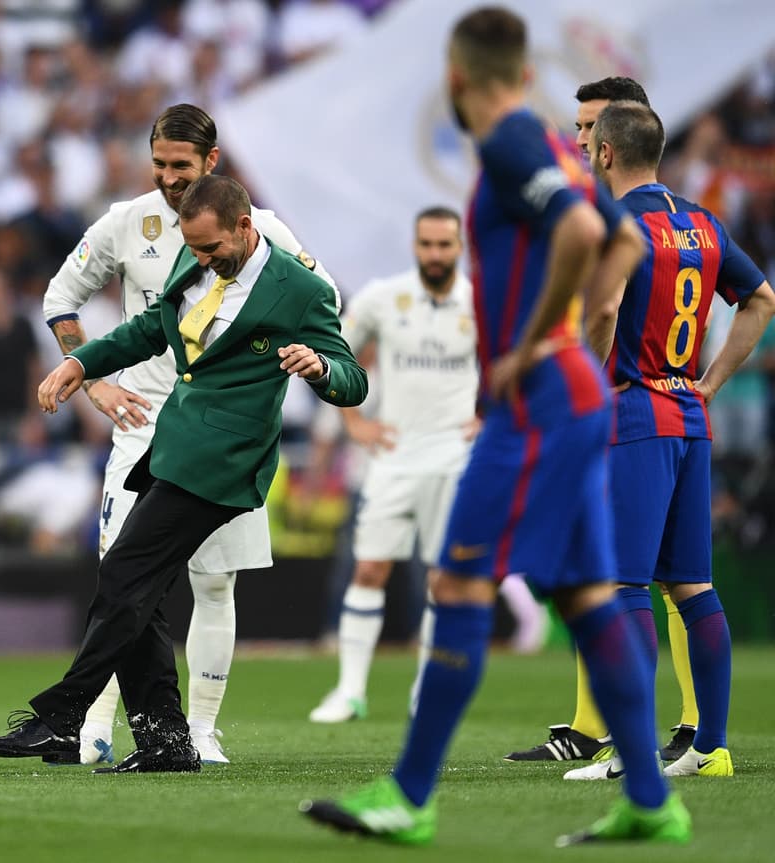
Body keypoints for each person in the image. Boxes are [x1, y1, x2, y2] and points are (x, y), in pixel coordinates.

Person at [300, 7, 690, 846]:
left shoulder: (511, 142)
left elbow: (586, 233)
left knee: (459, 584)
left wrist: (536, 340)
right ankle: (652, 800)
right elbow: (624, 243)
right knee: (586, 597)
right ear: (525, 71)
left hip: (538, 403)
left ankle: (409, 795)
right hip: (572, 394)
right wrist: (573, 335)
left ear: (455, 78)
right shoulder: (554, 144)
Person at [0, 174, 367, 773]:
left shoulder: (301, 289)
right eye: (194, 249)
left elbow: (352, 379)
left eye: (211, 249)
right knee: (140, 590)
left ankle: (63, 718)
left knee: (125, 576)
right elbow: (150, 330)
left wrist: (319, 368)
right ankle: (165, 742)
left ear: (245, 226)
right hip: (172, 445)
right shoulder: (195, 254)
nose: (202, 260)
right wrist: (83, 362)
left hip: (226, 461)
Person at [41, 102, 339, 764]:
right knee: (123, 580)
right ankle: (95, 727)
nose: (169, 177)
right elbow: (61, 298)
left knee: (214, 582)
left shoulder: (259, 228)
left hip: (223, 435)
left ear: (211, 162)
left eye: (182, 165)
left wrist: (284, 366)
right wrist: (94, 382)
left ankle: (200, 729)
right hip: (141, 423)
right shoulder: (126, 222)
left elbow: (323, 300)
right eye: (159, 164)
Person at [559, 101, 775, 782]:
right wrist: (710, 382)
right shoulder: (704, 222)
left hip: (633, 411)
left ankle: (631, 752)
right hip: (688, 412)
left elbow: (603, 308)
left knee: (624, 584)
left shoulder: (617, 222)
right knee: (692, 585)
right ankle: (710, 747)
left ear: (605, 153)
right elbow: (762, 299)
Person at [506, 74, 687, 764]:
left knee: (661, 578)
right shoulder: (628, 212)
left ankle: (687, 727)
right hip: (649, 407)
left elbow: (609, 313)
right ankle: (596, 725)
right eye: (578, 127)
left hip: (629, 408)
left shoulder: (635, 220)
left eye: (590, 128)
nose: (580, 139)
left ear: (620, 135)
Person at [308, 206, 511, 723]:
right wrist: (354, 423)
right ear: (415, 246)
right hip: (393, 457)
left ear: (459, 247)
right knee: (369, 568)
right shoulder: (383, 297)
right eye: (427, 244)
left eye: (444, 245)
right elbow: (334, 352)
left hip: (454, 459)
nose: (435, 254)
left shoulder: (482, 303)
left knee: (442, 580)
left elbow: (513, 365)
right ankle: (349, 691)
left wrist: (490, 417)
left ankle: (426, 690)